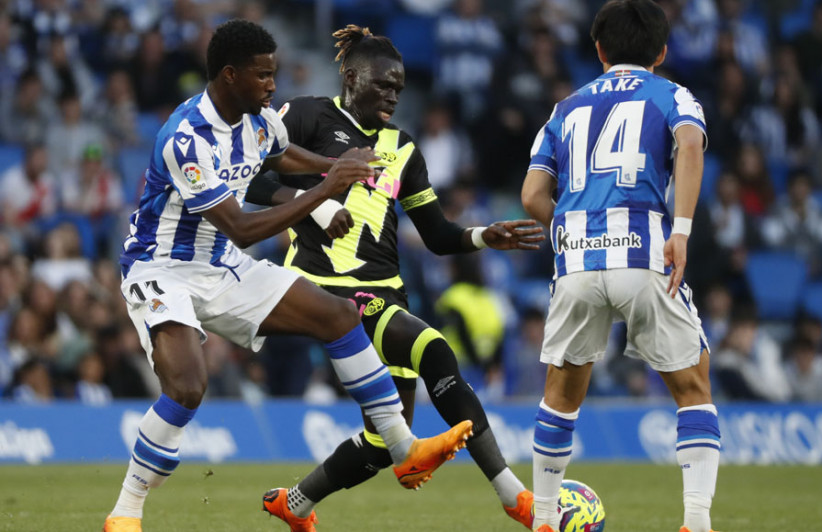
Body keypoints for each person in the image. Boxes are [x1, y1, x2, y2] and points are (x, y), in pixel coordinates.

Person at [101, 19, 473, 532]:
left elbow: (280, 154)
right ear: (230, 76)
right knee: (187, 387)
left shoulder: (256, 119)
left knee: (339, 316)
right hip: (162, 268)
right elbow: (241, 226)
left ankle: (404, 448)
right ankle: (126, 509)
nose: (273, 85)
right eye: (263, 75)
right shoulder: (186, 138)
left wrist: (335, 165)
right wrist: (323, 192)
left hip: (221, 266)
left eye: (274, 74)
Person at [245, 24, 544, 532]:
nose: (392, 95)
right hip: (326, 287)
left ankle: (293, 503)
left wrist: (481, 237)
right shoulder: (307, 114)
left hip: (387, 292)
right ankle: (516, 498)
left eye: (399, 88)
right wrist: (311, 209)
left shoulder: (403, 149)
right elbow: (248, 172)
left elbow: (437, 234)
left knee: (387, 440)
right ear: (352, 75)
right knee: (435, 350)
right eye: (383, 84)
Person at [520, 2, 720, 531]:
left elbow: (533, 193)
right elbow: (691, 144)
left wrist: (571, 226)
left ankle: (542, 519)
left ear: (600, 50)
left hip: (578, 261)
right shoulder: (672, 94)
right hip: (645, 252)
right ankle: (696, 522)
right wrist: (681, 231)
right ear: (661, 51)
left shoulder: (565, 108)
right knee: (692, 387)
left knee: (560, 395)